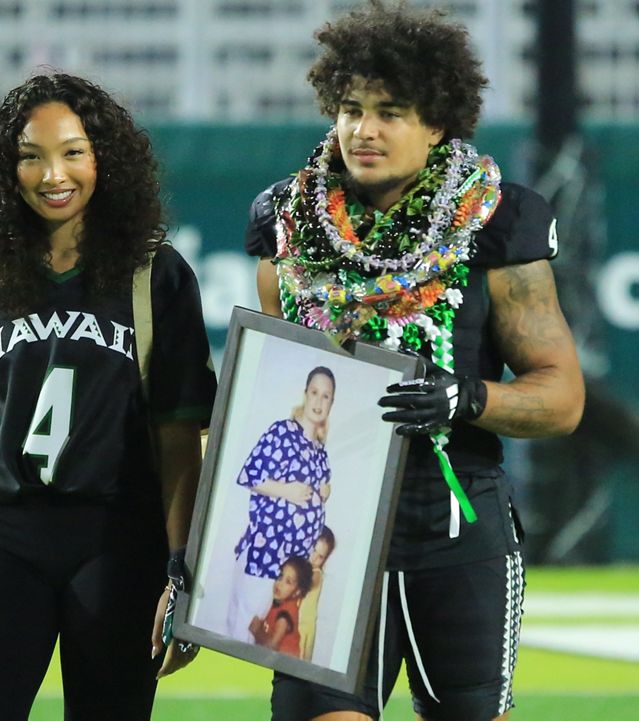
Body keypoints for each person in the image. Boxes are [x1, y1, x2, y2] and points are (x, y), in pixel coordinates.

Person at [245, 2, 584, 719]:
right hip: (329, 527)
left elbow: (561, 398)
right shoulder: (285, 219)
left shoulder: (496, 218)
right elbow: (267, 391)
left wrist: (464, 398)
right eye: (351, 108)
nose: (364, 130)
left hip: (454, 525)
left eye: (390, 111)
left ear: (436, 123)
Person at [0, 73, 216, 721]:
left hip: (118, 546)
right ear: (5, 169)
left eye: (74, 151)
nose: (54, 173)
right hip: (7, 542)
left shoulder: (159, 276)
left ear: (106, 156)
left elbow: (180, 444)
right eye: (31, 155)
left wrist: (181, 569)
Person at [227, 366, 335, 643]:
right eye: (314, 393)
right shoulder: (283, 431)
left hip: (290, 574)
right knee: (243, 637)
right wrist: (287, 491)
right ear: (305, 394)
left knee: (266, 646)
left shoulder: (321, 455)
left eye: (326, 396)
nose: (319, 402)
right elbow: (249, 474)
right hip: (264, 560)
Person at [251, 555, 316, 657]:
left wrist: (257, 631)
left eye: (288, 582)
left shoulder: (285, 614)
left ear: (297, 592)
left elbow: (272, 646)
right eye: (280, 576)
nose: (280, 583)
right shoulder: (277, 600)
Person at [300, 525, 337, 662]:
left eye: (320, 556)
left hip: (304, 629)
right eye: (313, 549)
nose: (314, 558)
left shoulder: (316, 574)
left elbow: (307, 581)